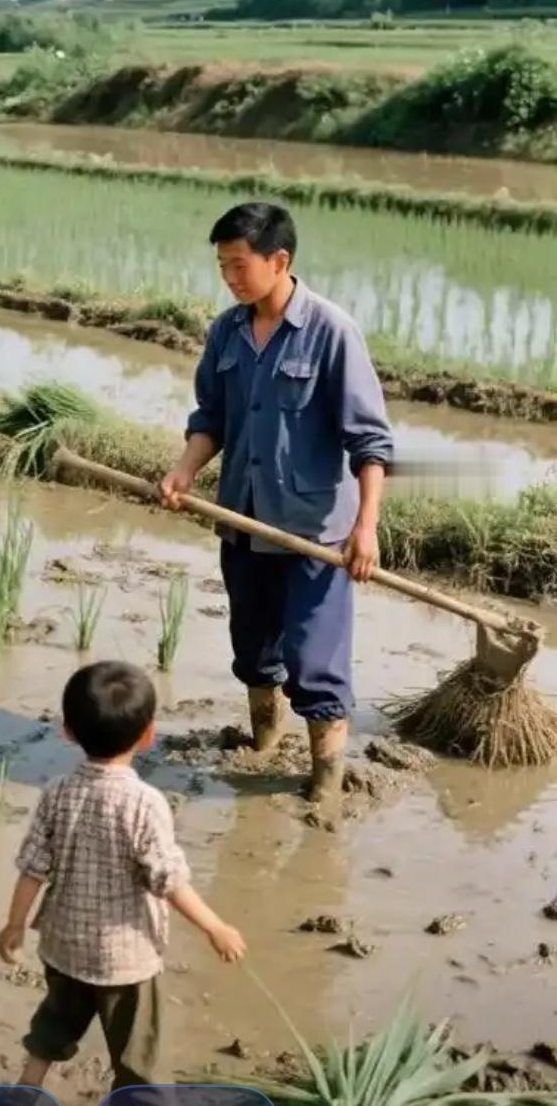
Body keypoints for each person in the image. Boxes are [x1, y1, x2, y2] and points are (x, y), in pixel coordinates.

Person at [160, 202, 394, 811]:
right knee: (253, 646)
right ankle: (265, 741)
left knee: (315, 661)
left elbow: (370, 443)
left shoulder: (331, 332)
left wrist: (365, 528)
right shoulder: (226, 332)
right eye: (222, 266)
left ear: (279, 260)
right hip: (243, 519)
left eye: (239, 264)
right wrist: (185, 470)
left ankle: (325, 778)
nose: (230, 277)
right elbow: (211, 418)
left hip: (312, 535)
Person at [0, 661, 245, 1092]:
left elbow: (32, 869)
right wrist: (215, 926)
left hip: (64, 945)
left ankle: (26, 1090)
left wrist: (15, 924)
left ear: (68, 730)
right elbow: (168, 880)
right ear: (149, 735)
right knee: (139, 1054)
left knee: (55, 1023)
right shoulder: (145, 803)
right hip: (126, 960)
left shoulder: (57, 792)